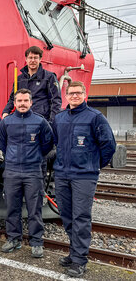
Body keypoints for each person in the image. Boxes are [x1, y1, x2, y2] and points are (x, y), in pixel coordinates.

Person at [52, 81, 116, 278]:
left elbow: (108, 145)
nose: (74, 96)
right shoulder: (59, 118)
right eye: (71, 93)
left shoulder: (95, 117)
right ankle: (74, 252)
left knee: (80, 217)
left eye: (78, 93)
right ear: (66, 95)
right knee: (67, 216)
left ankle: (80, 260)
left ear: (84, 95)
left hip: (84, 176)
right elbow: (56, 143)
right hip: (62, 174)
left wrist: (94, 165)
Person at [0, 89, 54, 258]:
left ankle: (36, 242)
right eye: (19, 101)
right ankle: (14, 239)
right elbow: (1, 142)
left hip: (33, 172)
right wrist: (12, 156)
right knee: (12, 208)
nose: (22, 103)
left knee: (34, 209)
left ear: (31, 102)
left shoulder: (40, 122)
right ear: (14, 103)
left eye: (25, 100)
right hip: (12, 171)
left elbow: (48, 144)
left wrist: (34, 156)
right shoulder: (6, 123)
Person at [2, 46, 61, 122]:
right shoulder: (19, 79)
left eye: (35, 58)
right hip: (22, 120)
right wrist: (6, 112)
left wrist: (52, 122)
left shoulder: (49, 77)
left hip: (41, 121)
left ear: (40, 59)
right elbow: (13, 98)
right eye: (30, 58)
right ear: (26, 59)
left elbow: (56, 101)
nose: (33, 60)